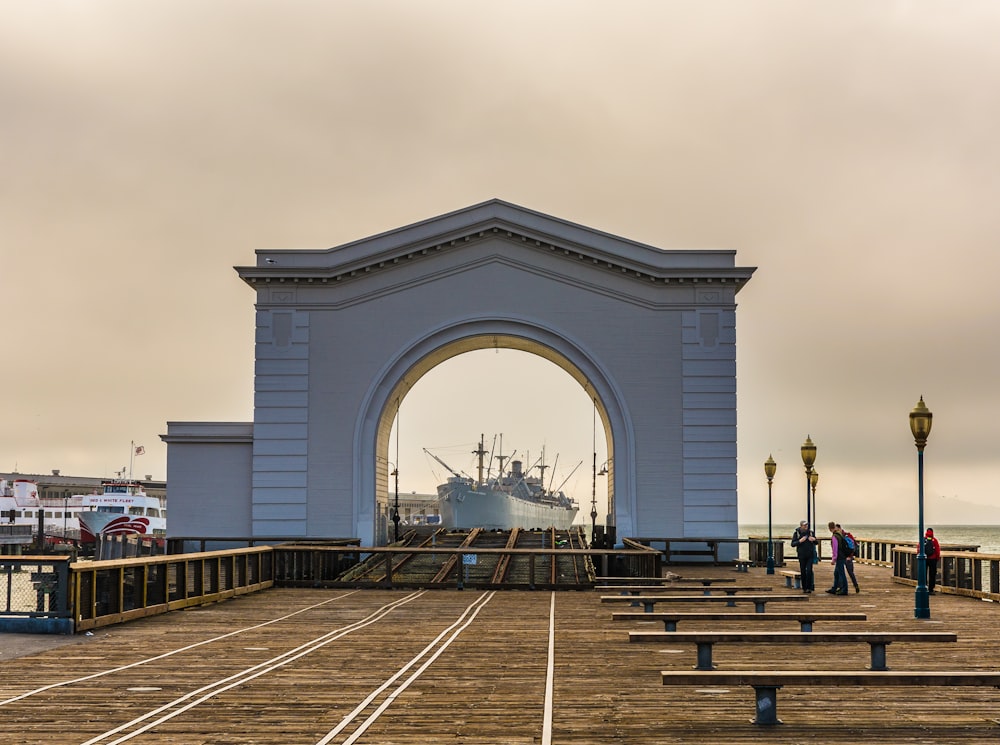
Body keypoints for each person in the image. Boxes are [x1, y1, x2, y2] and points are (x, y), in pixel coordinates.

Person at [790, 520, 818, 593]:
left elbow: (816, 542)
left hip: (810, 555)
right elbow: (792, 544)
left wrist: (814, 540)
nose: (806, 526)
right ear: (801, 526)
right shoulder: (797, 533)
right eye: (804, 525)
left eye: (807, 525)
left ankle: (809, 587)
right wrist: (800, 541)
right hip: (802, 555)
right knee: (803, 571)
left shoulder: (811, 533)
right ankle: (804, 587)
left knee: (809, 570)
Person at [835, 522, 861, 593]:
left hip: (847, 557)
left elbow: (853, 546)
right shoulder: (843, 535)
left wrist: (850, 556)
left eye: (837, 529)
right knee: (840, 572)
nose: (836, 531)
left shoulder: (846, 536)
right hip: (842, 557)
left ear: (840, 528)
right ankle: (840, 587)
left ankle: (855, 585)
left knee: (849, 572)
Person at [826, 522, 849, 595]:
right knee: (836, 573)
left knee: (841, 574)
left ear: (829, 528)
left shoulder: (835, 536)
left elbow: (835, 549)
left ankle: (844, 590)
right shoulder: (839, 534)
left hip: (839, 557)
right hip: (842, 556)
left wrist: (834, 559)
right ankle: (834, 588)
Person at [925, 527, 942, 593]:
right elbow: (937, 550)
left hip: (925, 559)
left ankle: (924, 587)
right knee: (932, 574)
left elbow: (919, 548)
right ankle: (931, 589)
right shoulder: (934, 540)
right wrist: (937, 558)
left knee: (924, 574)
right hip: (933, 559)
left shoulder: (923, 540)